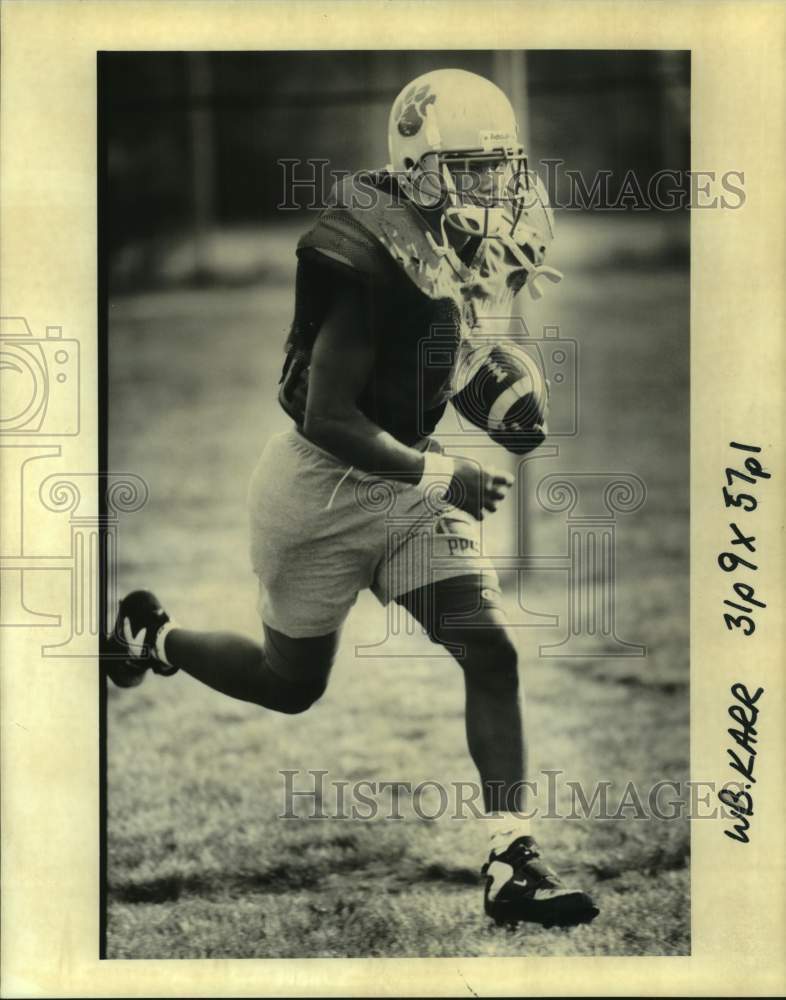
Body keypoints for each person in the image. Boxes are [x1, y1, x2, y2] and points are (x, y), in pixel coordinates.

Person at [106, 67, 598, 929]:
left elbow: (445, 350)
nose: (496, 186)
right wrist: (447, 472)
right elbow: (330, 417)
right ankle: (157, 637)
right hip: (321, 489)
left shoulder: (457, 245)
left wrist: (487, 381)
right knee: (291, 685)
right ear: (423, 167)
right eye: (474, 167)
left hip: (404, 479)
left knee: (492, 651)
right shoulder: (372, 253)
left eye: (501, 166)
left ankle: (510, 860)